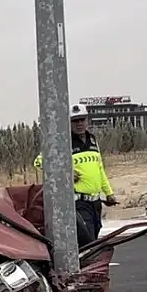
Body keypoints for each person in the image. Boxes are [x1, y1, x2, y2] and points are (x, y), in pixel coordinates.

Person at [33, 105, 117, 245]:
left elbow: (99, 169)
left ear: (87, 120)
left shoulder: (93, 140)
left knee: (93, 237)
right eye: (75, 121)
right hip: (78, 203)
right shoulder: (63, 142)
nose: (79, 124)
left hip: (95, 203)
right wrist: (66, 173)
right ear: (69, 123)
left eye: (82, 120)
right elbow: (39, 162)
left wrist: (109, 193)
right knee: (87, 242)